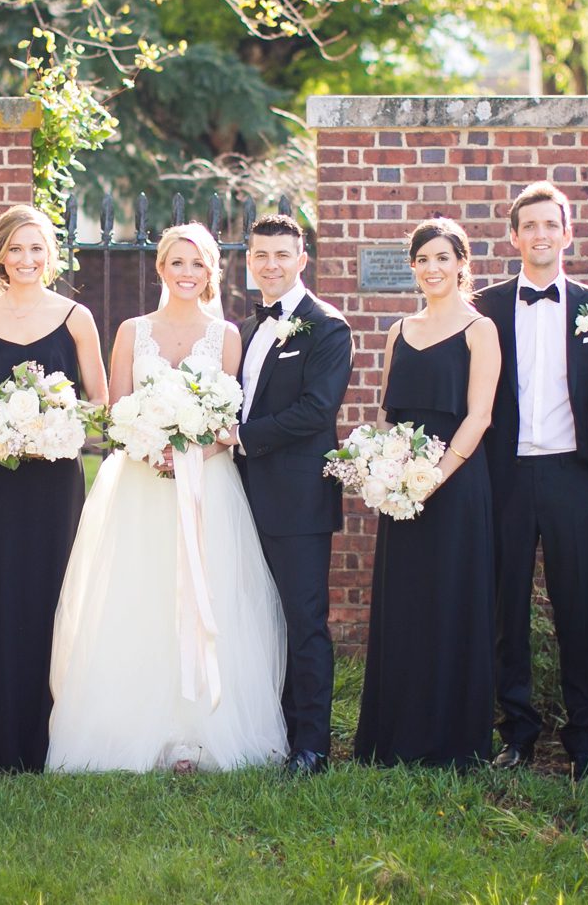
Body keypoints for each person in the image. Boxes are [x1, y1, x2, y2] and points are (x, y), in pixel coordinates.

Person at [48, 223, 287, 773]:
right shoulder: (132, 330)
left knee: (209, 598)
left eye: (197, 264)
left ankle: (199, 732)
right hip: (140, 484)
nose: (187, 273)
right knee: (141, 598)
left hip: (208, 485)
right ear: (161, 269)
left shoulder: (226, 335)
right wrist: (148, 445)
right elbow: (118, 408)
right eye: (177, 263)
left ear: (211, 271)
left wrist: (193, 455)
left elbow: (229, 416)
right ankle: (132, 727)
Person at [0, 204, 108, 772]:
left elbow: (100, 406)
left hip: (54, 482)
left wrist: (58, 429)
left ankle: (52, 737)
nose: (26, 259)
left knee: (55, 596)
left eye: (37, 248)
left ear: (52, 255)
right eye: (15, 248)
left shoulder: (75, 317)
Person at [473, 180, 588, 778]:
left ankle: (584, 736)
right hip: (504, 475)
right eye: (528, 225)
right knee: (506, 610)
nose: (540, 235)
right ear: (514, 236)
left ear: (567, 232)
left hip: (573, 475)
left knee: (578, 608)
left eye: (549, 224)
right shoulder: (484, 305)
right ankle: (517, 734)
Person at [353, 216, 498, 768]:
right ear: (412, 269)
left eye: (443, 258)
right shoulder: (399, 331)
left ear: (461, 263)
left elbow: (479, 415)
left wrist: (433, 477)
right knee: (405, 602)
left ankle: (452, 742)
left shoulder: (479, 330)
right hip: (403, 489)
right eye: (422, 260)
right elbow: (392, 417)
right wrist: (385, 471)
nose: (432, 269)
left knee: (451, 602)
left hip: (456, 485)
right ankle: (394, 737)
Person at [232, 212, 352, 776]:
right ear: (249, 261)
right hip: (244, 493)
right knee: (259, 617)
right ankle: (270, 729)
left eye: (282, 255)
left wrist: (242, 437)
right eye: (261, 255)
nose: (271, 265)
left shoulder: (327, 327)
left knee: (304, 620)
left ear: (302, 260)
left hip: (297, 499)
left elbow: (316, 411)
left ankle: (311, 745)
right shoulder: (251, 328)